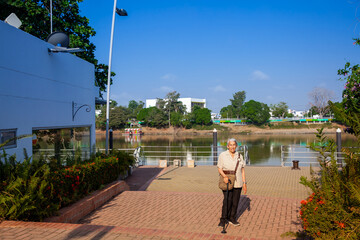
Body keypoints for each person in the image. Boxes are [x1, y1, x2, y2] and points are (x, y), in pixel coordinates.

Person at [217, 138, 247, 227]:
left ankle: (232, 218)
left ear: (236, 146)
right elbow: (219, 168)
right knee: (227, 200)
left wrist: (244, 183)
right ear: (227, 146)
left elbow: (242, 170)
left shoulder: (240, 156)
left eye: (234, 145)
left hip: (238, 182)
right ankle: (223, 219)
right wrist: (224, 177)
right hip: (227, 181)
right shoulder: (223, 155)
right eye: (230, 145)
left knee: (235, 201)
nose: (232, 147)